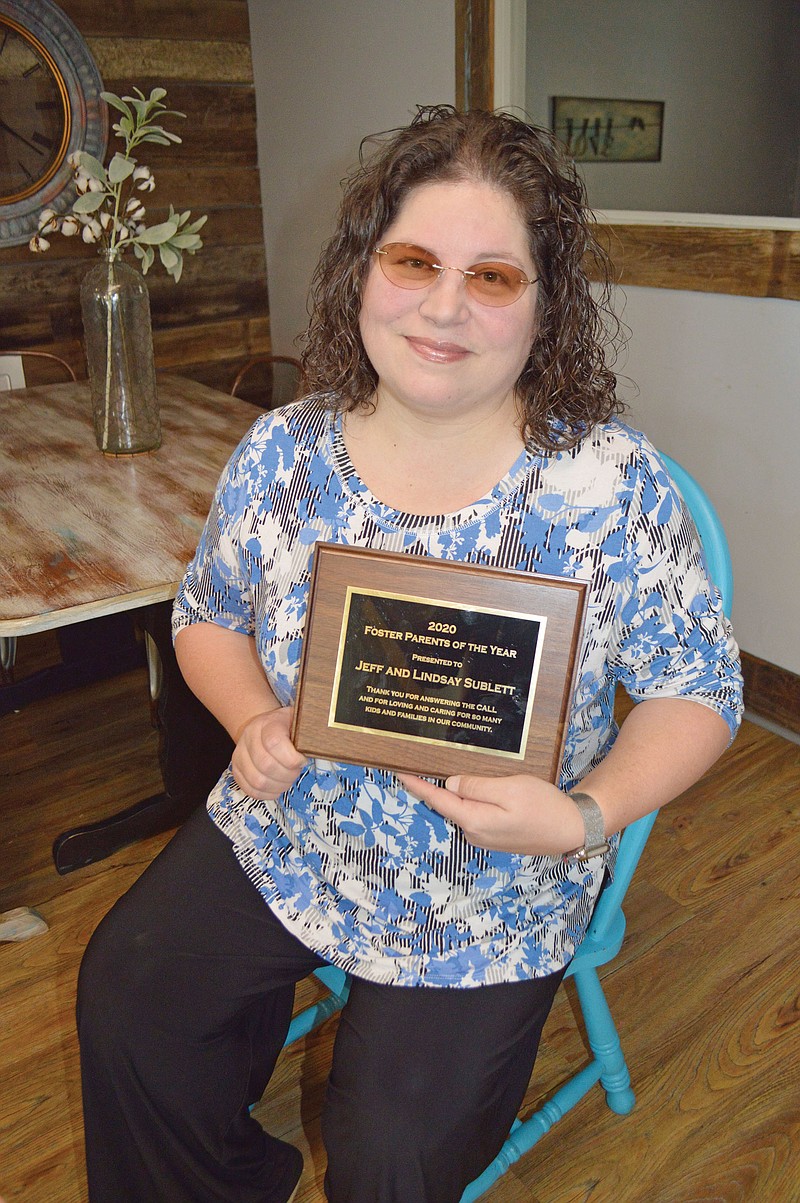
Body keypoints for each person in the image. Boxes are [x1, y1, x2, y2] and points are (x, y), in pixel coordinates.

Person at [76, 105, 743, 1203]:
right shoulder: (285, 452)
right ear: (361, 271)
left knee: (390, 1153)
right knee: (131, 1001)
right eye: (414, 260)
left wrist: (583, 815)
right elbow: (208, 612)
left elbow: (698, 690)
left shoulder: (609, 486)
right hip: (289, 834)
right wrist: (248, 717)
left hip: (494, 882)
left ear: (544, 304)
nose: (442, 306)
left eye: (491, 277)